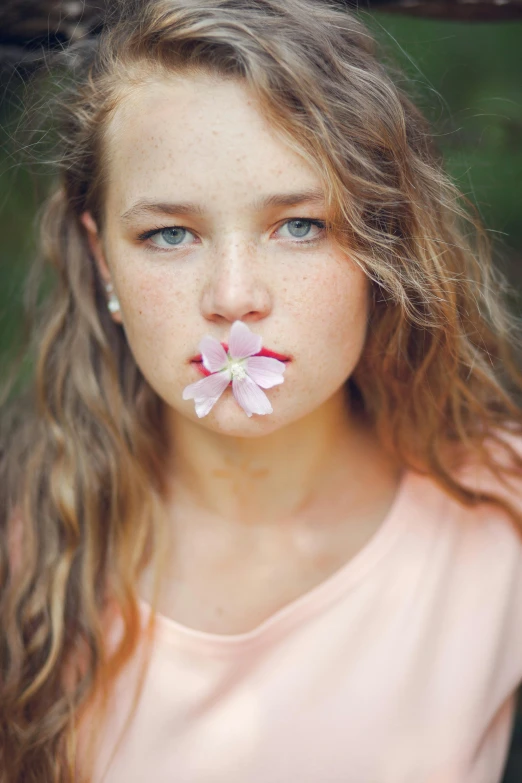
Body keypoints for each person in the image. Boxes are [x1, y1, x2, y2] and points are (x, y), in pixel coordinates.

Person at [1, 0, 522, 781]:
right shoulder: (22, 551)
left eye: (300, 225)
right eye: (170, 235)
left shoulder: (504, 520)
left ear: (384, 238)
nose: (234, 296)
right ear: (102, 258)